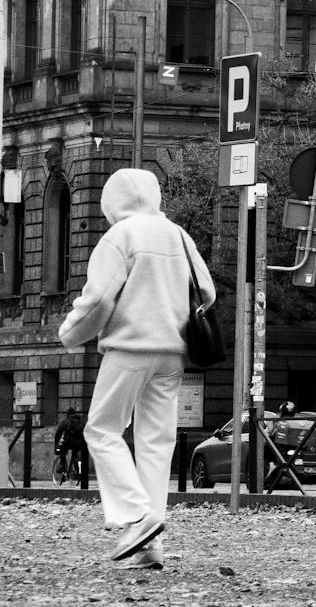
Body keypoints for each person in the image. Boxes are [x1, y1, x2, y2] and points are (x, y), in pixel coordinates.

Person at [57, 166, 217, 570]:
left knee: (102, 429)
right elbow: (208, 292)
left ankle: (135, 516)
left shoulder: (119, 236)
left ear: (112, 203)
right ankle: (150, 546)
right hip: (174, 352)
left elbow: (98, 301)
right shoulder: (179, 235)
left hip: (130, 348)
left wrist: (69, 333)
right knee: (155, 443)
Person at [53, 406, 86, 484]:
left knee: (62, 449)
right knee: (75, 453)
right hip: (79, 444)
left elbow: (58, 433)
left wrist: (57, 445)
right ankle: (76, 467)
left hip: (67, 443)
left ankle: (63, 465)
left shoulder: (65, 421)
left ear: (68, 414)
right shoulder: (80, 421)